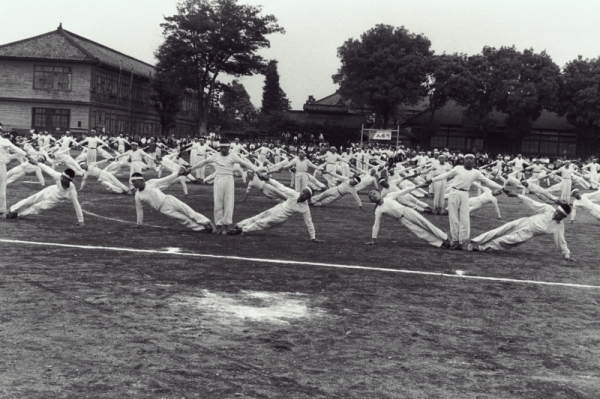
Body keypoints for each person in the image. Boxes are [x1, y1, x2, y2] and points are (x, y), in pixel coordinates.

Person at [468, 188, 573, 261]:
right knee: (500, 230)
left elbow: (561, 240)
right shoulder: (549, 209)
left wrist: (566, 254)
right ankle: (475, 241)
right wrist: (516, 195)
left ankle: (481, 248)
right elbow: (532, 203)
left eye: (559, 214)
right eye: (557, 211)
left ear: (563, 217)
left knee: (505, 241)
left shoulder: (559, 226)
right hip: (525, 221)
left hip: (529, 233)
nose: (556, 213)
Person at [427, 154, 503, 250]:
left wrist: (502, 188)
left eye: (471, 159)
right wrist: (432, 180)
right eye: (467, 158)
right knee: (453, 216)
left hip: (465, 194)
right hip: (454, 192)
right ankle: (455, 240)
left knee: (464, 217)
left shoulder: (476, 172)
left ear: (474, 161)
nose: (469, 160)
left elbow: (488, 181)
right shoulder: (458, 168)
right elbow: (446, 175)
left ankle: (461, 241)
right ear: (463, 160)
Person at [187, 140, 259, 235]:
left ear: (229, 148)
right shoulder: (216, 155)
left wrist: (257, 170)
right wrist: (191, 168)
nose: (223, 150)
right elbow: (204, 162)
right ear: (219, 148)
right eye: (221, 148)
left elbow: (246, 164)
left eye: (225, 148)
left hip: (229, 179)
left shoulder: (233, 156)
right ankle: (219, 226)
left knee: (228, 203)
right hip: (218, 180)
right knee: (218, 203)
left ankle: (226, 226)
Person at [228, 174, 323, 243]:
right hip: (279, 207)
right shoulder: (294, 194)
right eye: (303, 192)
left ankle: (242, 230)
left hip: (282, 217)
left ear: (308, 198)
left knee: (262, 223)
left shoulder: (305, 208)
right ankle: (239, 225)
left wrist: (313, 238)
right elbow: (281, 187)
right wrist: (268, 179)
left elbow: (309, 222)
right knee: (258, 217)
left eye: (306, 195)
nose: (303, 195)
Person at [6, 157, 84, 225]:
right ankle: (12, 209)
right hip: (50, 190)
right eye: (62, 176)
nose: (61, 179)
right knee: (31, 199)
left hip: (54, 200)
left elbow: (77, 205)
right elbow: (47, 169)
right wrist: (36, 163)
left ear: (70, 180)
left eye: (64, 178)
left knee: (36, 208)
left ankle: (18, 214)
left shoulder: (71, 191)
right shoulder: (58, 176)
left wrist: (81, 221)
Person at [365, 187, 451, 248]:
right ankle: (441, 243)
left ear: (379, 193)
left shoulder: (389, 196)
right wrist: (373, 239)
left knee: (426, 224)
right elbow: (376, 224)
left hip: (407, 211)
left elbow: (404, 191)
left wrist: (418, 186)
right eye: (371, 196)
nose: (373, 195)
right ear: (372, 200)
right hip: (403, 220)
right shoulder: (378, 210)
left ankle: (446, 238)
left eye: (374, 193)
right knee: (420, 232)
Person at [131, 171, 215, 233]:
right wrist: (139, 224)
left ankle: (208, 222)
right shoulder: (138, 195)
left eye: (134, 181)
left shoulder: (151, 182)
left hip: (169, 199)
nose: (133, 183)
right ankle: (203, 229)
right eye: (132, 182)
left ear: (141, 180)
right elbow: (139, 209)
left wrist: (178, 174)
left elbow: (166, 179)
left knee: (189, 212)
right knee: (184, 220)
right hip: (163, 209)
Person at [1, 135, 28, 217]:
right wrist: (27, 155)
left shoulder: (3, 140)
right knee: (1, 187)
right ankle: (1, 209)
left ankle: (1, 209)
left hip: (1, 164)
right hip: (1, 165)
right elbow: (15, 148)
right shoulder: (3, 140)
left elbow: (16, 149)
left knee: (2, 187)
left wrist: (26, 155)